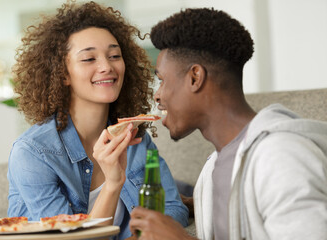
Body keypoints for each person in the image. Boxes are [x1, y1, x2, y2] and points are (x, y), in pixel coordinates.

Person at [129, 7, 327, 240]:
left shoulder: (281, 157)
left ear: (195, 78)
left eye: (161, 80)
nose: (157, 95)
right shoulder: (213, 169)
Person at [7, 1, 188, 239]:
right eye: (89, 59)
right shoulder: (33, 153)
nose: (107, 66)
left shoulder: (136, 140)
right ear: (63, 74)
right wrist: (113, 182)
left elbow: (173, 209)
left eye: (114, 55)